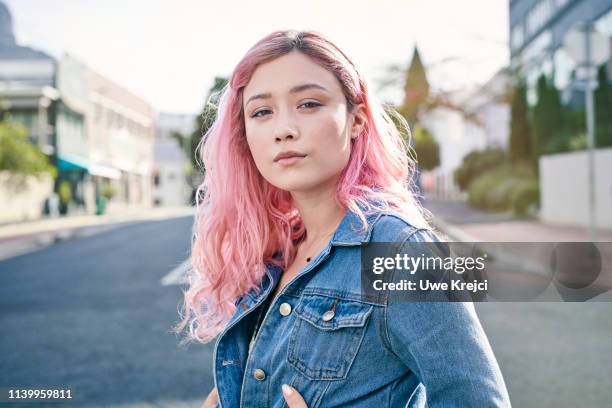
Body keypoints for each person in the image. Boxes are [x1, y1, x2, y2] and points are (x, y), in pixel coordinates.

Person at [175, 30, 511, 407]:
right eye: (262, 112)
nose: (284, 129)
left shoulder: (396, 248)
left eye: (309, 104)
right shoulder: (276, 252)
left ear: (357, 120)